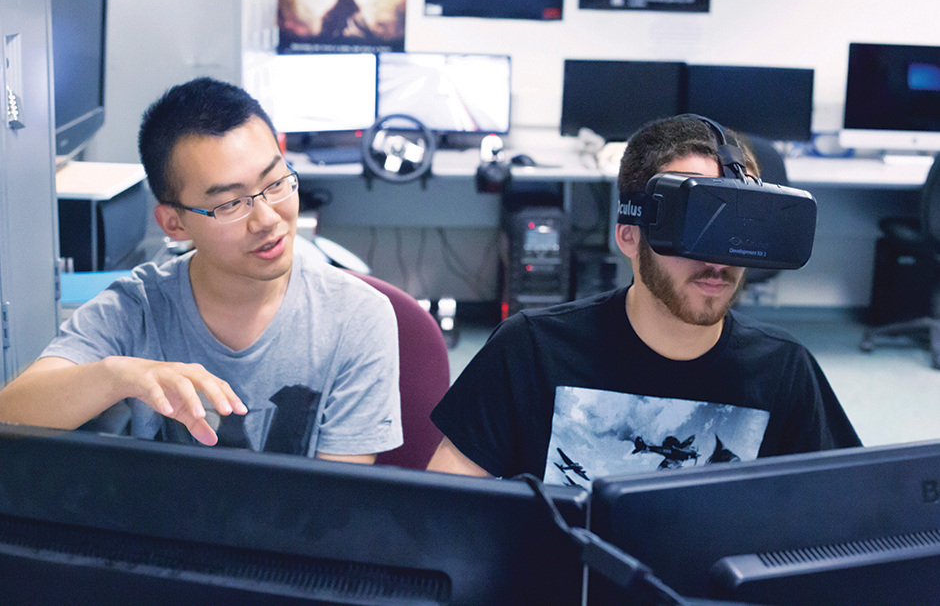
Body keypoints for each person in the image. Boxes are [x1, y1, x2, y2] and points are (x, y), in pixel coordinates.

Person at [427, 115, 861, 486]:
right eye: (695, 227)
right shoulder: (532, 351)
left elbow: (844, 526)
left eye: (734, 233)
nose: (716, 260)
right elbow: (444, 512)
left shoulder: (783, 371)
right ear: (629, 235)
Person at [0, 77, 402, 463]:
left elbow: (336, 507)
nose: (266, 218)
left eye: (276, 182)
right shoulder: (137, 309)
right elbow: (10, 414)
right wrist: (118, 376)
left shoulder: (357, 317)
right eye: (229, 204)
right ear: (173, 224)